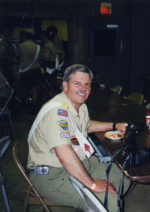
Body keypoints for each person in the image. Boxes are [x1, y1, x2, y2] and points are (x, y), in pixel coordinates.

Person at [27, 64, 130, 212]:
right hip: (54, 175)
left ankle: (89, 206)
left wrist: (114, 125)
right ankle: (93, 204)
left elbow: (85, 126)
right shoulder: (57, 113)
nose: (83, 88)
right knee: (110, 202)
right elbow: (65, 156)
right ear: (65, 85)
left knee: (123, 176)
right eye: (77, 83)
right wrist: (92, 184)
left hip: (82, 162)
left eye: (87, 84)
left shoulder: (79, 106)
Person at [17, 28, 42, 112]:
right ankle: (34, 105)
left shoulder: (20, 46)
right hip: (35, 70)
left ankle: (24, 104)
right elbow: (39, 59)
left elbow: (18, 58)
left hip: (24, 71)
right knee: (34, 87)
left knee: (23, 87)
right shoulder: (38, 47)